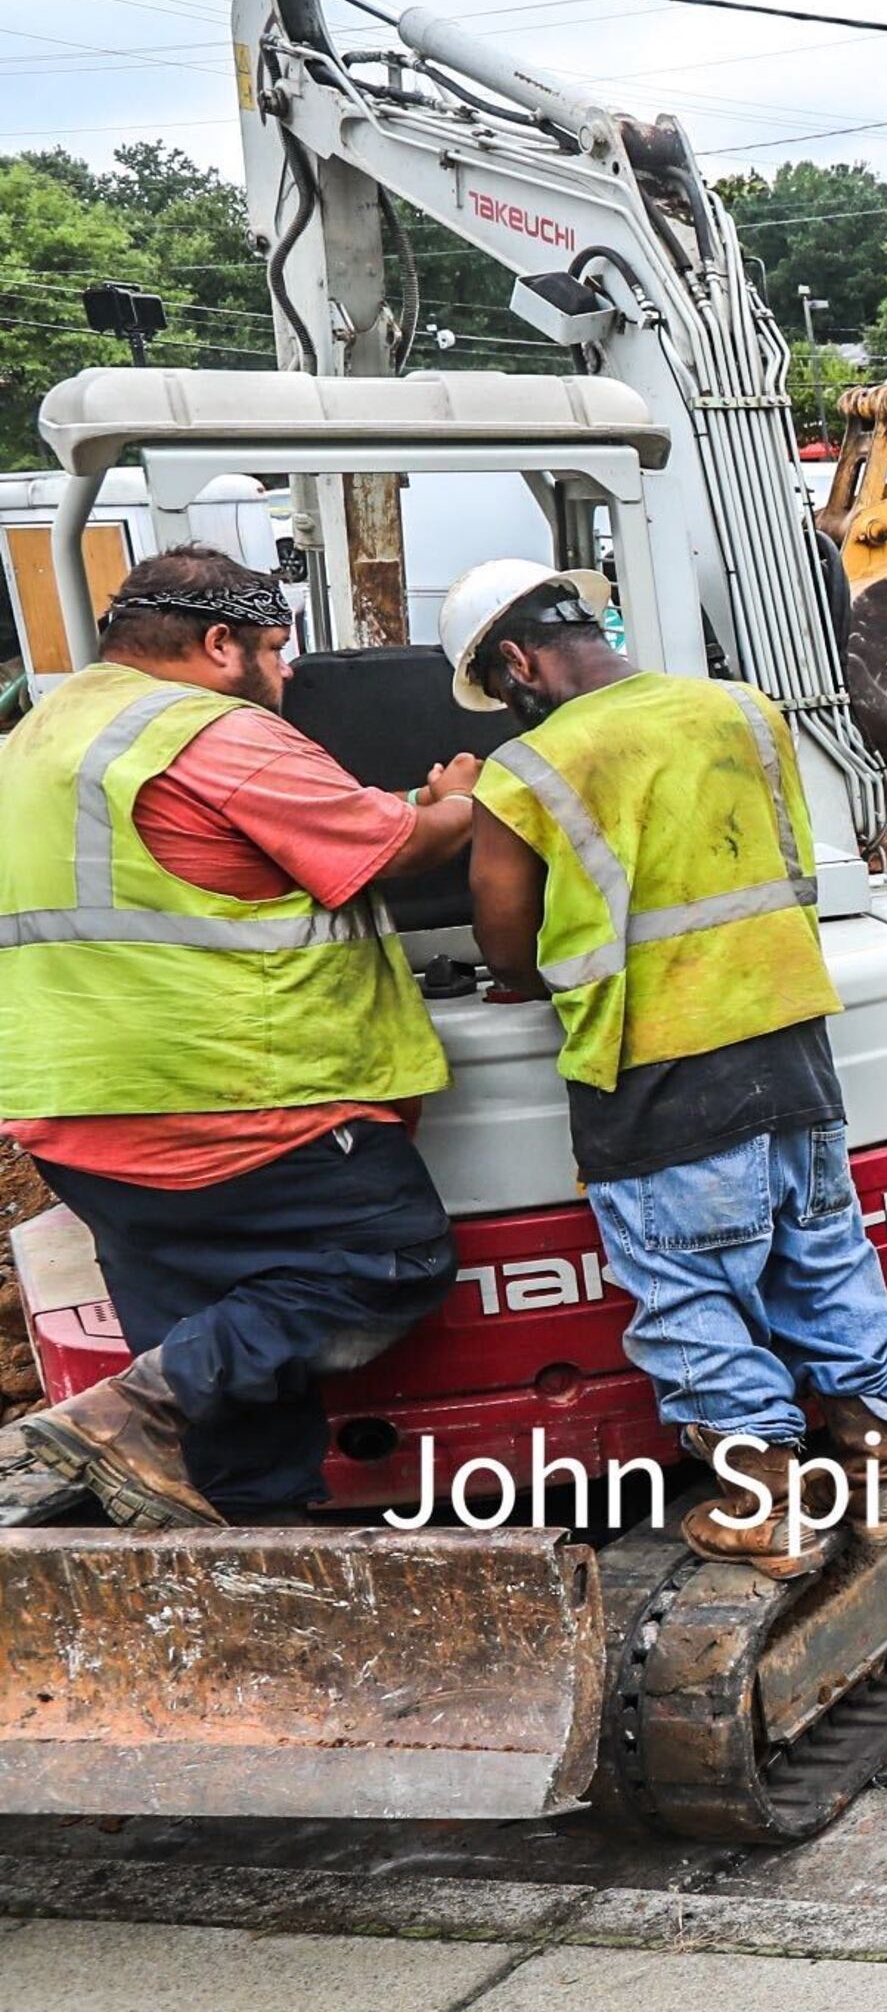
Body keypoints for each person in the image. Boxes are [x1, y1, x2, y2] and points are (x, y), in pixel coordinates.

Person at [447, 559, 887, 1578]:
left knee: (688, 1289)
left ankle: (771, 1506)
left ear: (519, 660)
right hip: (790, 1036)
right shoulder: (740, 709)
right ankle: (884, 1463)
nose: (507, 706)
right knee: (824, 1252)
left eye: (499, 688)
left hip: (657, 1063)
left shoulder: (526, 770)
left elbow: (505, 947)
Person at [0, 546, 472, 1527]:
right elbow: (393, 848)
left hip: (74, 1110)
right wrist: (459, 802)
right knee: (385, 1260)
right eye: (274, 646)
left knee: (206, 1343)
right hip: (236, 1094)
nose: (286, 671)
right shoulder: (211, 733)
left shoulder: (37, 736)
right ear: (220, 645)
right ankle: (132, 1408)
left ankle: (247, 1528)